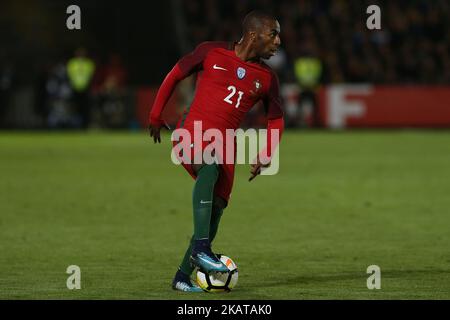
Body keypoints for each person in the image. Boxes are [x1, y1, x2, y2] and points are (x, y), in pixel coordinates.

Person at [148, 10, 285, 292]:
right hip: (193, 131)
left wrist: (267, 152)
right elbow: (175, 74)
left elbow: (276, 119)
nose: (278, 41)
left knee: (217, 209)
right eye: (273, 34)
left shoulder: (267, 78)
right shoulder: (210, 52)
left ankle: (182, 277)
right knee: (208, 166)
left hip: (226, 145)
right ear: (253, 35)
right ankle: (201, 249)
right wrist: (155, 113)